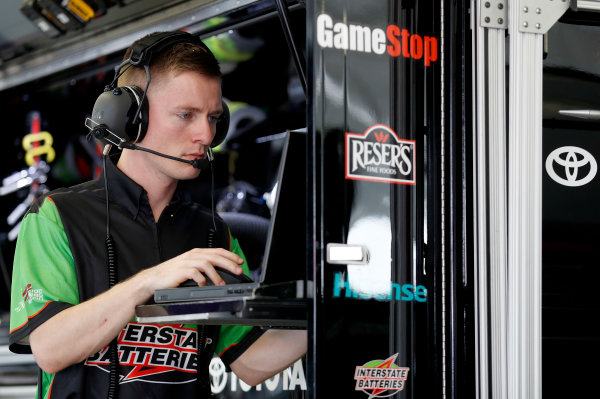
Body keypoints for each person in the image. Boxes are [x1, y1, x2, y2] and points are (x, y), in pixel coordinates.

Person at [8, 31, 307, 398]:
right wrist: (150, 282)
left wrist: (343, 302)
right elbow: (50, 349)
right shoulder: (56, 216)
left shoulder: (213, 234)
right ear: (129, 117)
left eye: (214, 117)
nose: (206, 134)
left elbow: (251, 361)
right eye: (186, 115)